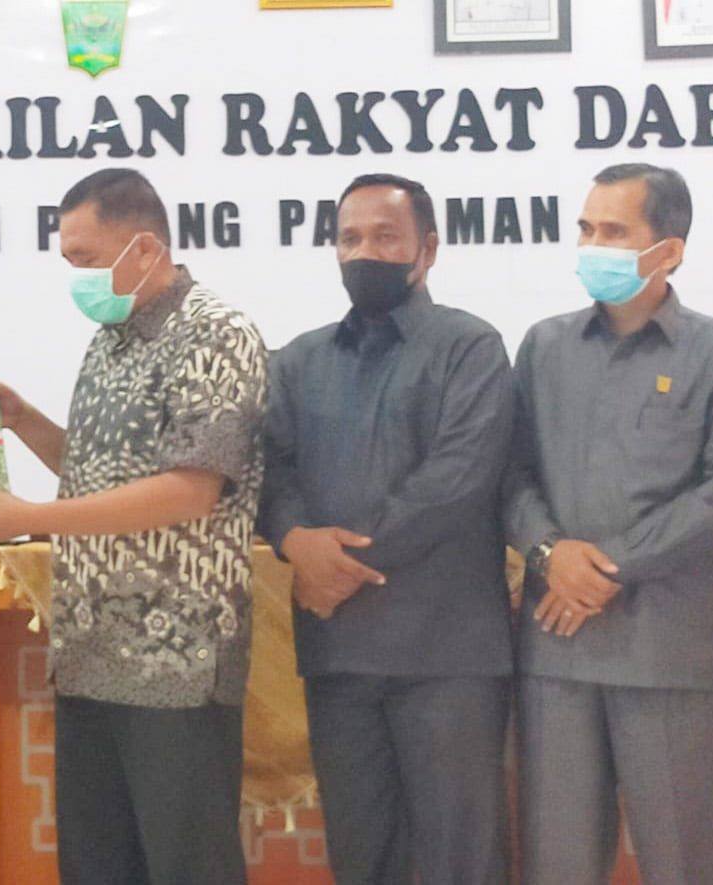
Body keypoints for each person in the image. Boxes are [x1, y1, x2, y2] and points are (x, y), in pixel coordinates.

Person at [0, 168, 267, 884]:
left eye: (87, 259)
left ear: (145, 248)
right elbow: (102, 473)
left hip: (177, 660)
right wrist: (25, 421)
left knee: (188, 866)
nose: (77, 278)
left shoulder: (215, 333)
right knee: (98, 866)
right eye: (68, 260)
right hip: (90, 651)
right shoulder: (110, 339)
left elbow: (189, 490)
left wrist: (32, 519)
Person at [259, 173, 514, 885]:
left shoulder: (470, 346)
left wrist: (336, 564)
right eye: (349, 238)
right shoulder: (298, 360)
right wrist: (295, 540)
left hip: (447, 656)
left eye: (384, 237)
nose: (363, 252)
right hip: (339, 654)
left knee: (461, 863)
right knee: (361, 858)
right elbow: (270, 471)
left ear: (427, 249)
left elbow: (457, 480)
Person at [505, 163, 713, 884]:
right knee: (557, 863)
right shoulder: (544, 346)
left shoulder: (711, 352)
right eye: (586, 229)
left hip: (669, 651)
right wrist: (548, 553)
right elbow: (510, 473)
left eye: (615, 232)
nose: (593, 245)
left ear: (670, 250)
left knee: (685, 862)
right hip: (557, 649)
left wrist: (606, 567)